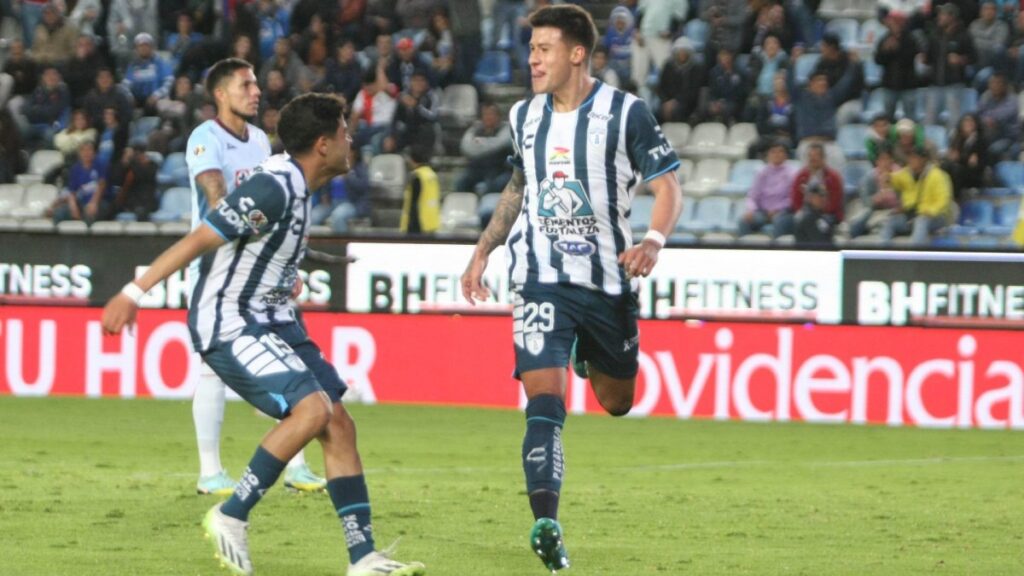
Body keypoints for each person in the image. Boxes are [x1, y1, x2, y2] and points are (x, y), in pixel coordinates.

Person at [101, 92, 427, 576]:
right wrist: (133, 290)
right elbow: (200, 238)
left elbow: (258, 250)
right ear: (322, 144)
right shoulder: (274, 186)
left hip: (274, 317)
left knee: (338, 423)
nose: (350, 139)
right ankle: (231, 514)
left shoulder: (297, 186)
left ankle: (363, 558)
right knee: (313, 409)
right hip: (229, 321)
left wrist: (284, 275)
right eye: (343, 131)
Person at [459, 5, 683, 572]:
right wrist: (483, 250)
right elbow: (519, 183)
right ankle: (546, 522)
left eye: (544, 49)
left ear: (577, 53)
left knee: (617, 401)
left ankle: (588, 353)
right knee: (544, 405)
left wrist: (653, 241)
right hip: (538, 279)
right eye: (531, 48)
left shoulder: (626, 113)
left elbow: (669, 188)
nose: (533, 59)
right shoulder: (523, 116)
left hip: (607, 283)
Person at [185, 58, 324, 496]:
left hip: (261, 270)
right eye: (245, 85)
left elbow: (278, 205)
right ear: (221, 94)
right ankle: (210, 473)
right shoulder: (205, 139)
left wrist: (286, 265)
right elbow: (216, 197)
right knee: (212, 372)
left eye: (256, 83)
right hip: (217, 271)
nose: (256, 91)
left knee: (288, 358)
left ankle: (296, 467)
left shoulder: (262, 140)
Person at [881, 145, 954, 244]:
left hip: (935, 217)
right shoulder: (906, 173)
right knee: (889, 222)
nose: (911, 160)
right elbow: (895, 179)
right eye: (910, 157)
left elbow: (944, 200)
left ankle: (914, 255)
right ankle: (884, 254)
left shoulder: (937, 175)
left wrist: (930, 211)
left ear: (923, 160)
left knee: (921, 221)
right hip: (911, 215)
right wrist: (888, 177)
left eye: (914, 158)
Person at [738, 140, 796, 238]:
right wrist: (751, 210)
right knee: (744, 221)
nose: (777, 154)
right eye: (773, 152)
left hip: (783, 212)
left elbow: (793, 198)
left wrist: (777, 209)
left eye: (780, 151)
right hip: (763, 212)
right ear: (768, 155)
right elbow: (752, 196)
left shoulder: (792, 173)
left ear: (786, 155)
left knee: (780, 222)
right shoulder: (762, 173)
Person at [455, 100, 513, 194]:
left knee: (495, 185)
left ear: (498, 116)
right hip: (477, 169)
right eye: (485, 114)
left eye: (491, 114)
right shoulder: (475, 130)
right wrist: (488, 143)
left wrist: (480, 143)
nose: (488, 117)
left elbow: (499, 144)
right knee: (461, 183)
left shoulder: (506, 130)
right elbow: (466, 147)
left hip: (499, 170)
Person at [400, 144, 440, 233]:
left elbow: (413, 204)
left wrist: (409, 227)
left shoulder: (417, 176)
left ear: (412, 159)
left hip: (418, 226)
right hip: (431, 224)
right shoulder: (432, 174)